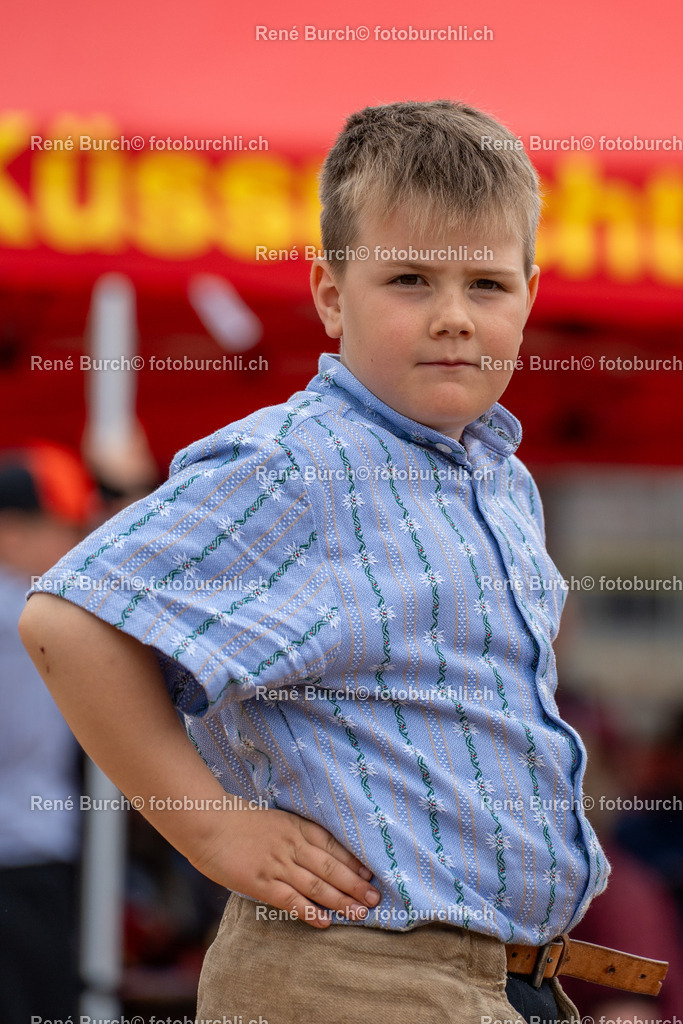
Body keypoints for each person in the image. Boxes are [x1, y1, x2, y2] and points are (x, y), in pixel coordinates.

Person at [20, 101, 660, 1024]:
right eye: (407, 279)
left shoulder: (499, 479)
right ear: (328, 292)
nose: (452, 317)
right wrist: (211, 827)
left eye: (487, 285)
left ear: (529, 291)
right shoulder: (296, 463)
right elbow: (66, 621)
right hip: (350, 974)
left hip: (495, 980)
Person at [0, 445, 93, 1023]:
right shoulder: (24, 611)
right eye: (62, 528)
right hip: (21, 854)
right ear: (9, 531)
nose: (74, 546)